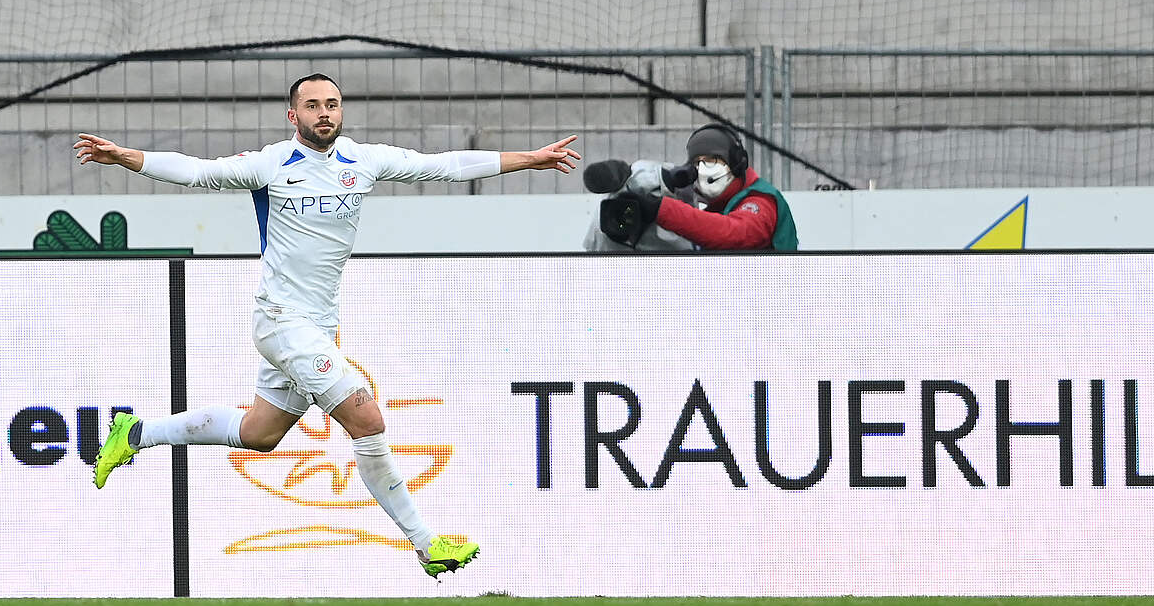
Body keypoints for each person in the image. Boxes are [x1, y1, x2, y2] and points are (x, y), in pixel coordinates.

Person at [74, 73, 580, 578]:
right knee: (367, 420)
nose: (324, 113)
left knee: (259, 433)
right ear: (293, 115)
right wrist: (126, 157)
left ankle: (136, 433)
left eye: (332, 104)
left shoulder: (363, 160)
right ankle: (428, 545)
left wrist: (530, 159)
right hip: (281, 321)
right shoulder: (272, 164)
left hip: (316, 325)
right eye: (313, 105)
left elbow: (444, 166)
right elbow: (197, 171)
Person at [584, 124, 798, 251]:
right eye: (697, 163)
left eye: (712, 160)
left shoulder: (760, 200)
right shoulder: (717, 211)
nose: (703, 169)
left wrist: (658, 208)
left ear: (737, 162)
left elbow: (733, 234)